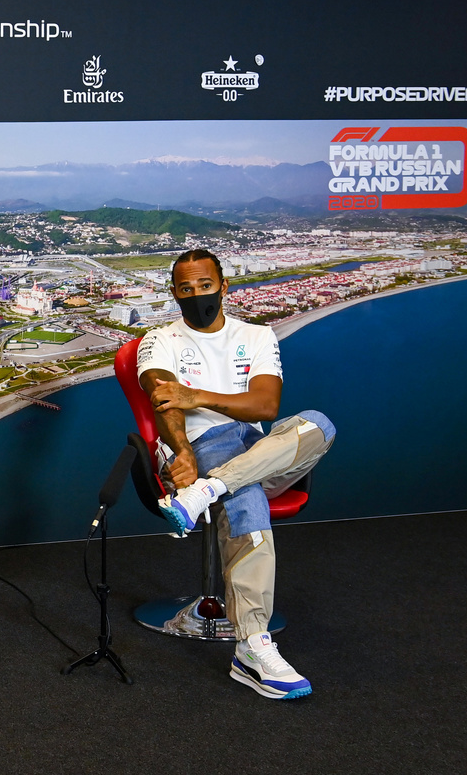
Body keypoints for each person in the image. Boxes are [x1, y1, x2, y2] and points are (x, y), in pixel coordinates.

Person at [136, 249, 335, 700]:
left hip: (260, 452)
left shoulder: (257, 335)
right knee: (247, 497)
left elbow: (265, 406)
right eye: (186, 288)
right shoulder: (159, 339)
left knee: (318, 424)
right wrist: (183, 450)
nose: (196, 295)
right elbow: (164, 401)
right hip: (205, 446)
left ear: (224, 287)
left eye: (205, 286)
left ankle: (211, 489)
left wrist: (197, 395)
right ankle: (253, 646)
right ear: (174, 293)